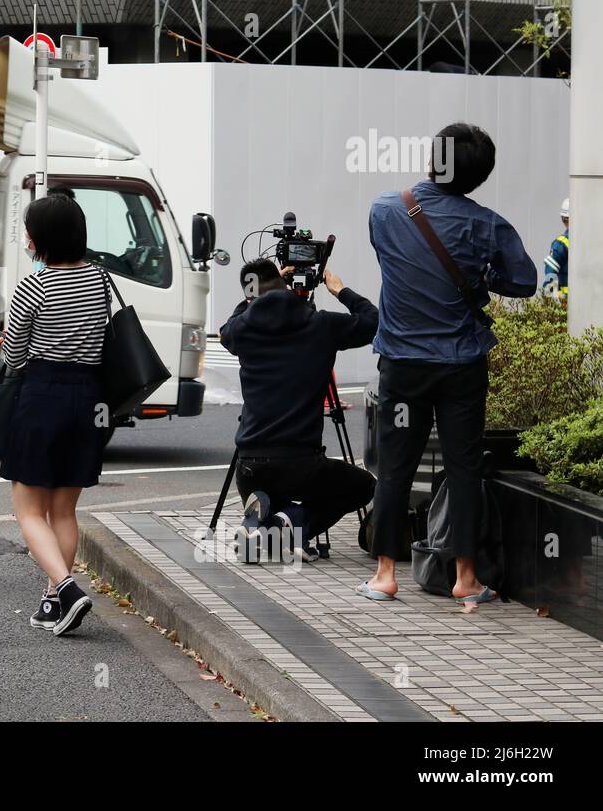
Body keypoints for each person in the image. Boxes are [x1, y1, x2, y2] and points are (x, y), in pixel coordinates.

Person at [364, 122, 537, 603]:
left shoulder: (383, 210)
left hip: (401, 363)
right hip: (461, 364)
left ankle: (385, 575)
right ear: (479, 177)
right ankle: (465, 578)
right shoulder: (487, 224)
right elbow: (524, 281)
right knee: (463, 467)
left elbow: (389, 260)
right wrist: (481, 278)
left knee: (395, 466)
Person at [0, 193, 109, 636]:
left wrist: (6, 342)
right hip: (88, 399)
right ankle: (52, 601)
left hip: (43, 395)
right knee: (63, 511)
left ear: (41, 238)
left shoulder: (34, 286)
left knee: (28, 511)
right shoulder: (99, 279)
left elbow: (15, 356)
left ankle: (65, 587)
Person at [219, 259, 379, 560]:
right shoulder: (321, 325)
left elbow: (228, 328)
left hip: (250, 467)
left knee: (267, 489)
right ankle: (292, 527)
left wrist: (255, 295)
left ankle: (261, 519)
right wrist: (340, 290)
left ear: (252, 293)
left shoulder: (242, 329)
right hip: (299, 467)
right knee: (363, 486)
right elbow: (373, 321)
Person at [543, 197, 569, 298]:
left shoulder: (560, 244)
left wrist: (551, 300)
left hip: (566, 304)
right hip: (568, 303)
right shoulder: (562, 244)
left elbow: (550, 272)